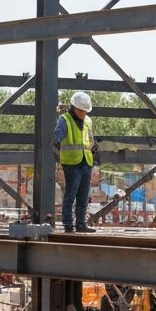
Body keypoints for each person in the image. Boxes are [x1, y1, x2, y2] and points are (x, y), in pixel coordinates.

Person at [53, 90, 98, 233]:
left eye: (86, 111)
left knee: (83, 195)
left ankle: (80, 224)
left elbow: (90, 139)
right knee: (70, 194)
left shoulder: (88, 121)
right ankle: (67, 224)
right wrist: (57, 152)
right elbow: (56, 139)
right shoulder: (64, 120)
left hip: (86, 161)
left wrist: (94, 146)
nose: (84, 113)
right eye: (82, 110)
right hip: (72, 163)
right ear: (74, 108)